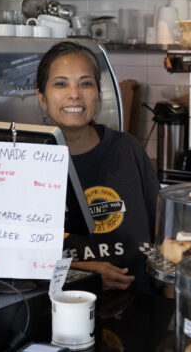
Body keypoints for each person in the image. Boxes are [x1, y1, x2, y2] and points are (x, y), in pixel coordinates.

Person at [36, 41, 159, 294]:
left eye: (86, 83)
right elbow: (11, 261)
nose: (74, 94)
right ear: (42, 98)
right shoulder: (27, 162)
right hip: (61, 313)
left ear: (98, 95)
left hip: (136, 306)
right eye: (61, 84)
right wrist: (81, 274)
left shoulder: (127, 150)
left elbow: (162, 233)